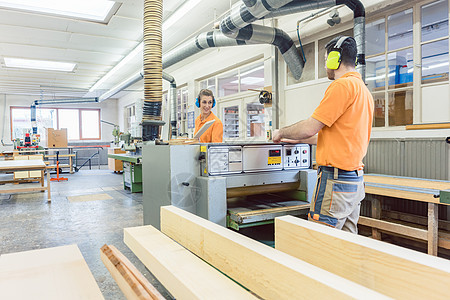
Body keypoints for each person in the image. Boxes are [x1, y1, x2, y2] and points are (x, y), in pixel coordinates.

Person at [273, 36, 374, 233]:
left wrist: (280, 132)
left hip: (335, 181)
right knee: (345, 243)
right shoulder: (363, 91)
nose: (325, 66)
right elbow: (329, 136)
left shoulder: (342, 86)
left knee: (320, 241)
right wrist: (297, 138)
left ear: (334, 59)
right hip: (354, 181)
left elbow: (311, 127)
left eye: (326, 60)